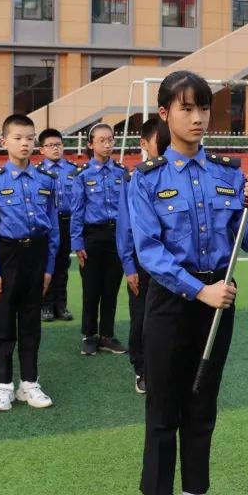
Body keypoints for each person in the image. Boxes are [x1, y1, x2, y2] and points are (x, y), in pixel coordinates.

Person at [130, 71, 248, 495]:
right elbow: (149, 252)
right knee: (163, 408)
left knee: (202, 401)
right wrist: (199, 291)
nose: (197, 118)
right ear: (165, 113)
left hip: (219, 301)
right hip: (172, 302)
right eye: (186, 108)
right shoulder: (146, 180)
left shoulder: (229, 173)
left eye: (203, 108)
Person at [0, 114, 58, 412]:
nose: (25, 143)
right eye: (18, 138)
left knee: (30, 321)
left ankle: (30, 383)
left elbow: (53, 227)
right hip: (7, 255)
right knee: (3, 323)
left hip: (36, 255)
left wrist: (49, 267)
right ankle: (4, 387)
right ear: (5, 142)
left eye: (29, 138)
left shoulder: (46, 181)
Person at [71, 123, 130, 356]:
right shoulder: (83, 175)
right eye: (102, 140)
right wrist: (77, 242)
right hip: (92, 236)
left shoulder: (121, 173)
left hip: (116, 236)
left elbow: (126, 209)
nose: (107, 145)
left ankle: (106, 335)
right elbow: (77, 210)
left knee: (111, 287)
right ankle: (89, 335)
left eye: (111, 140)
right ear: (90, 144)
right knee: (91, 287)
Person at [116, 118, 161, 394]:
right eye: (161, 139)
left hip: (172, 263)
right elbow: (125, 226)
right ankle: (141, 368)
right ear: (144, 144)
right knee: (141, 319)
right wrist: (129, 265)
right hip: (143, 263)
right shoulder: (133, 179)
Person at [38, 127, 76, 323]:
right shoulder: (37, 173)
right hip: (46, 223)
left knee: (63, 263)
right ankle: (45, 305)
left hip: (66, 221)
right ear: (41, 150)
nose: (55, 148)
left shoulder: (73, 170)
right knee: (47, 262)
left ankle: (61, 305)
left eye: (58, 145)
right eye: (50, 145)